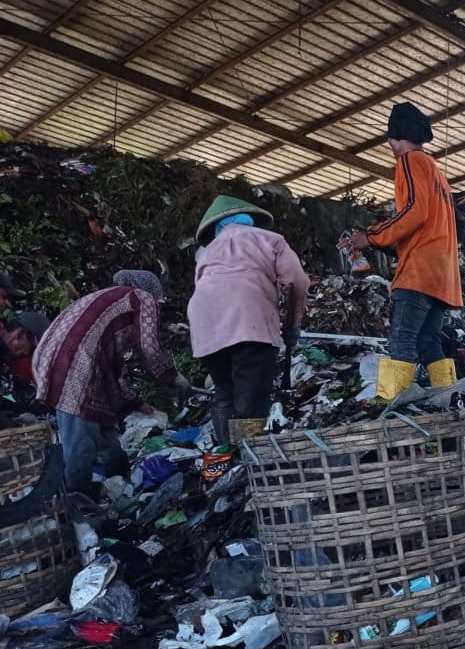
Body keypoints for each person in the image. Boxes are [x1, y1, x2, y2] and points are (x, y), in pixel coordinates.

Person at [338, 102, 461, 398]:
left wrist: (372, 236)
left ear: (394, 137)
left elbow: (414, 212)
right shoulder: (436, 171)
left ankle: (394, 407)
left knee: (401, 340)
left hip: (420, 272)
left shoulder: (410, 160)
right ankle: (449, 398)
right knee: (429, 341)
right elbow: (426, 221)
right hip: (442, 274)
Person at [33, 271, 190, 496]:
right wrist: (172, 377)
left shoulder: (108, 299)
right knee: (80, 442)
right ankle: (76, 504)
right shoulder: (141, 297)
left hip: (52, 358)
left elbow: (113, 376)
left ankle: (121, 481)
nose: (158, 306)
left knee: (103, 427)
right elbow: (149, 347)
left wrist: (135, 403)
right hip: (75, 364)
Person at [188, 195, 309, 445]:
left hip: (204, 320)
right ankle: (249, 458)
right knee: (250, 397)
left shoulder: (205, 251)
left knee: (224, 391)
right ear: (250, 221)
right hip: (249, 316)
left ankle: (225, 452)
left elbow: (204, 285)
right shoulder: (271, 239)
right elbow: (297, 282)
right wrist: (292, 325)